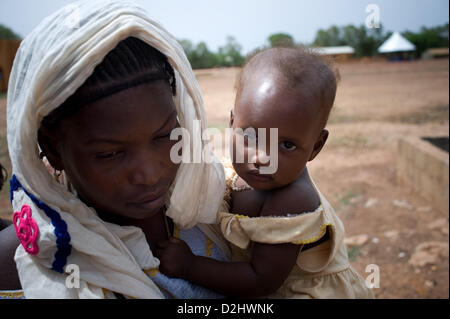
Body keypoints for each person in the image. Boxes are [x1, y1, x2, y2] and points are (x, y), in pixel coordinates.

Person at [0, 0, 230, 299]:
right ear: (52, 149)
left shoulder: (220, 205)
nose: (148, 175)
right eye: (109, 154)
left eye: (164, 136)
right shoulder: (22, 263)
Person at [155, 47, 375, 298]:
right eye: (249, 136)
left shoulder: (291, 200)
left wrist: (189, 266)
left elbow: (259, 281)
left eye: (287, 145)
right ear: (231, 123)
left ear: (316, 146)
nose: (262, 158)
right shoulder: (238, 173)